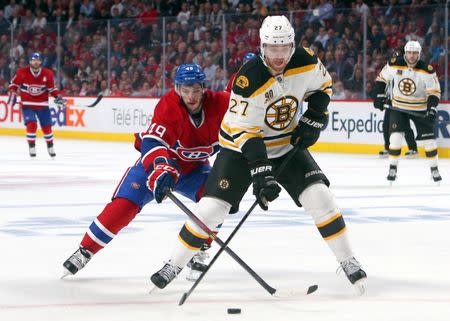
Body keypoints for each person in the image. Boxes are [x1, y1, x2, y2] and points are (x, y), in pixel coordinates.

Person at [150, 15, 367, 293]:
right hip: (239, 148)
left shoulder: (307, 60)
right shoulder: (248, 78)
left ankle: (347, 260)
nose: (279, 56)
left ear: (292, 45)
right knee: (211, 209)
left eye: (284, 48)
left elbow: (322, 87)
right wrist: (261, 172)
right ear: (262, 47)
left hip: (285, 143)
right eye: (272, 49)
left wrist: (314, 115)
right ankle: (174, 264)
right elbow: (245, 132)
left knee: (320, 197)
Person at [62, 64, 231, 281]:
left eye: (196, 89)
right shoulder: (169, 105)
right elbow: (152, 142)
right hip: (162, 164)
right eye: (185, 90)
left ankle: (198, 250)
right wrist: (161, 167)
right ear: (177, 89)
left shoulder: (223, 104)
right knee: (125, 203)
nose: (191, 96)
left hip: (196, 168)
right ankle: (86, 250)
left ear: (204, 88)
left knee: (217, 198)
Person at [373, 40, 442, 183]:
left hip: (420, 108)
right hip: (399, 107)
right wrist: (379, 96)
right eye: (409, 53)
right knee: (395, 138)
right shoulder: (394, 63)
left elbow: (434, 92)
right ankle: (393, 168)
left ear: (419, 54)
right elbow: (381, 79)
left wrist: (432, 108)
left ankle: (434, 169)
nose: (411, 56)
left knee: (429, 141)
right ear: (405, 52)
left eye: (415, 53)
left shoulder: (427, 70)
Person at [7, 52, 65, 158]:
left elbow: (52, 89)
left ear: (41, 61)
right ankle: (32, 146)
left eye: (38, 60)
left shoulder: (48, 73)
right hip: (27, 105)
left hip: (42, 105)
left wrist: (58, 98)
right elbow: (13, 84)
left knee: (47, 127)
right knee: (31, 124)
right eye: (33, 60)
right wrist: (12, 92)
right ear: (30, 61)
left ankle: (50, 146)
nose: (36, 62)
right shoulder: (21, 72)